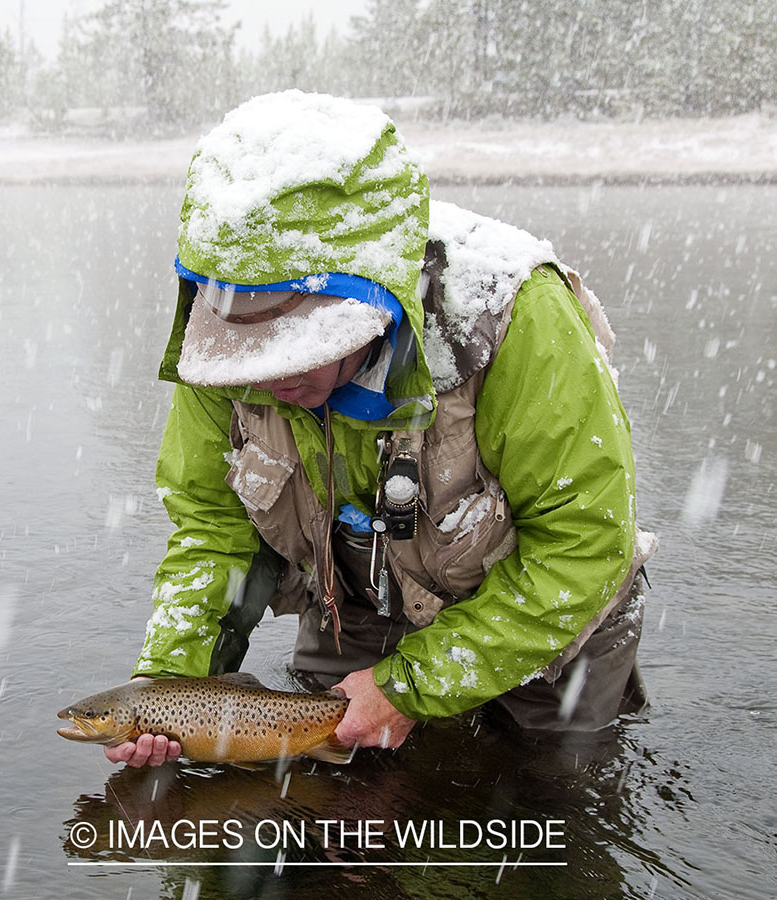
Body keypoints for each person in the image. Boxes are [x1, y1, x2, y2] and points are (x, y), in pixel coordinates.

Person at [105, 90, 657, 769]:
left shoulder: (516, 317)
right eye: (243, 347)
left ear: (375, 301)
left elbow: (582, 547)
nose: (268, 379)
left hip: (547, 613)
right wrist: (164, 686)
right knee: (326, 816)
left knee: (553, 802)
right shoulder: (217, 348)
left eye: (297, 346)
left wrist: (409, 688)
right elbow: (214, 531)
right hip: (353, 599)